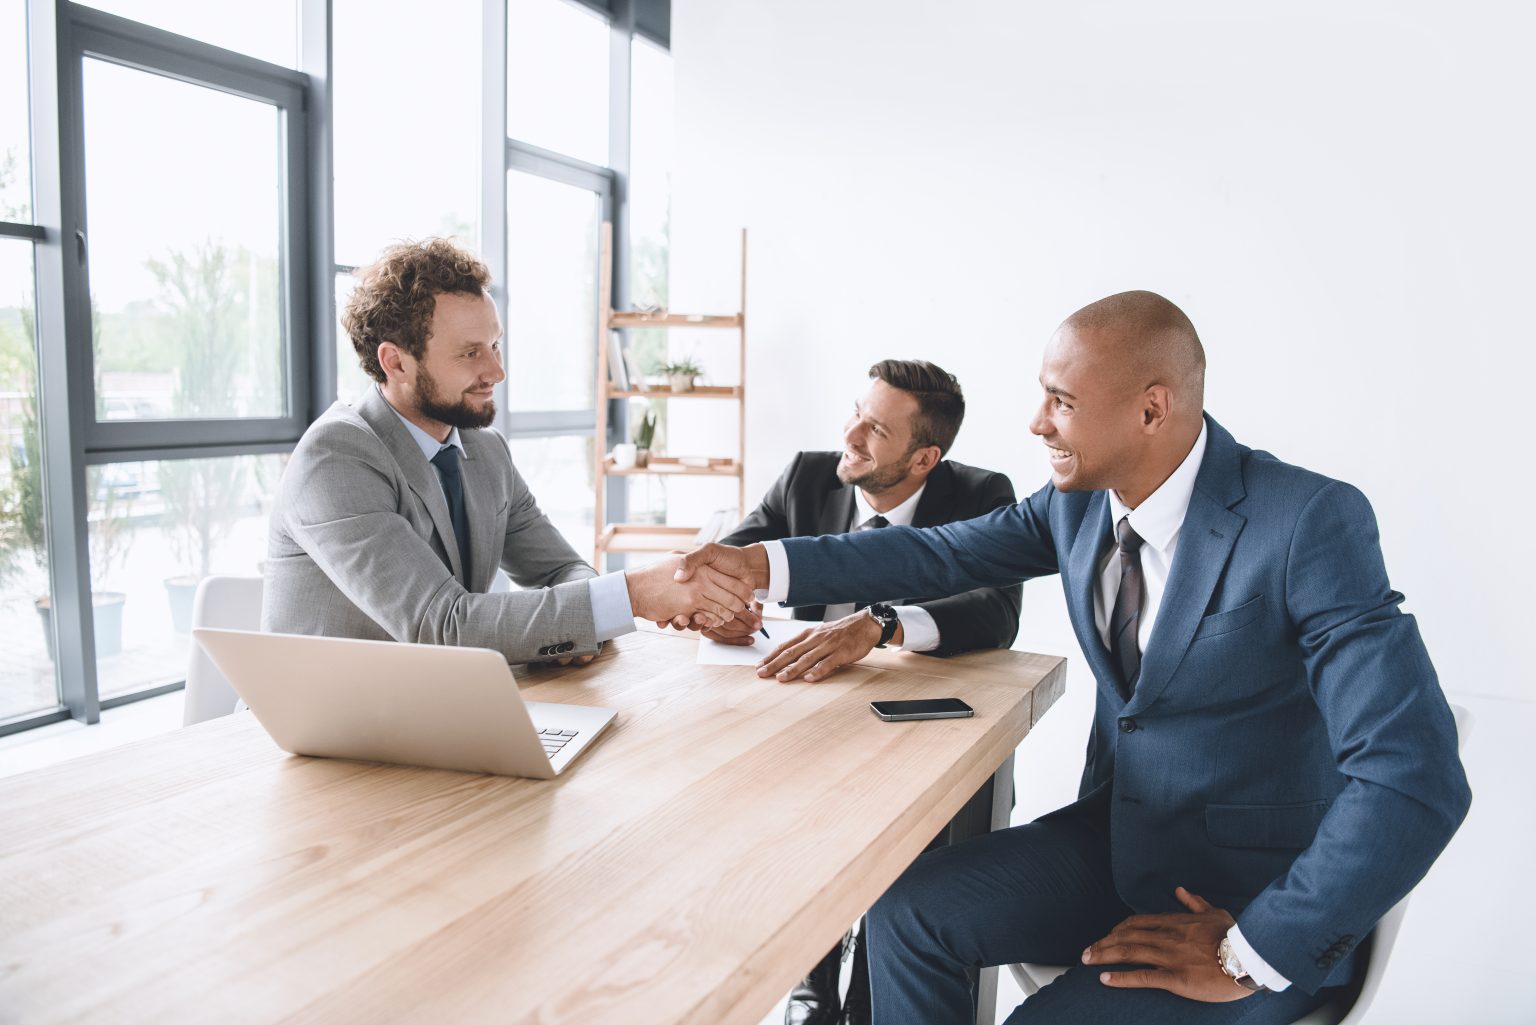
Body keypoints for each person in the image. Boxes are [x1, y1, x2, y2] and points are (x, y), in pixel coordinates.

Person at [674, 291, 1471, 1024]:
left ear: (1152, 409)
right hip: (1121, 848)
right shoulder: (1077, 503)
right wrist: (762, 566)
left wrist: (1251, 949)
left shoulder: (1306, 521)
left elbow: (1415, 774)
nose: (1036, 422)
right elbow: (936, 555)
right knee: (904, 914)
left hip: (1246, 898)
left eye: (1062, 400)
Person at [710, 359, 1022, 1025]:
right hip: (802, 724)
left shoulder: (981, 494)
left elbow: (996, 611)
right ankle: (812, 984)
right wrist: (726, 600)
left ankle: (878, 990)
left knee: (914, 858)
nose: (850, 433)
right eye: (856, 411)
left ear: (925, 458)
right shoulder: (807, 475)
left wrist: (883, 624)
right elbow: (736, 552)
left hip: (913, 738)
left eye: (876, 428)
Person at [263, 238, 751, 662]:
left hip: (429, 717)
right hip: (317, 741)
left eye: (495, 346)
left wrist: (581, 631)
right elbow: (442, 625)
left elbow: (563, 570)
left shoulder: (484, 452)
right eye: (469, 352)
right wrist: (635, 593)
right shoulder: (338, 458)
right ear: (395, 362)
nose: (496, 372)